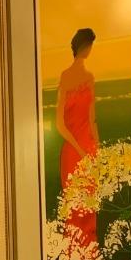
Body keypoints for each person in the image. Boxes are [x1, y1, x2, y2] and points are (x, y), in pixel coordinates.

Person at [55, 28, 99, 248]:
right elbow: (60, 125)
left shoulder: (86, 77)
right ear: (86, 47)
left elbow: (92, 120)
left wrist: (95, 151)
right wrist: (86, 150)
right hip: (76, 153)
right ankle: (78, 259)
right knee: (76, 208)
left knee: (87, 207)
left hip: (84, 151)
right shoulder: (70, 77)